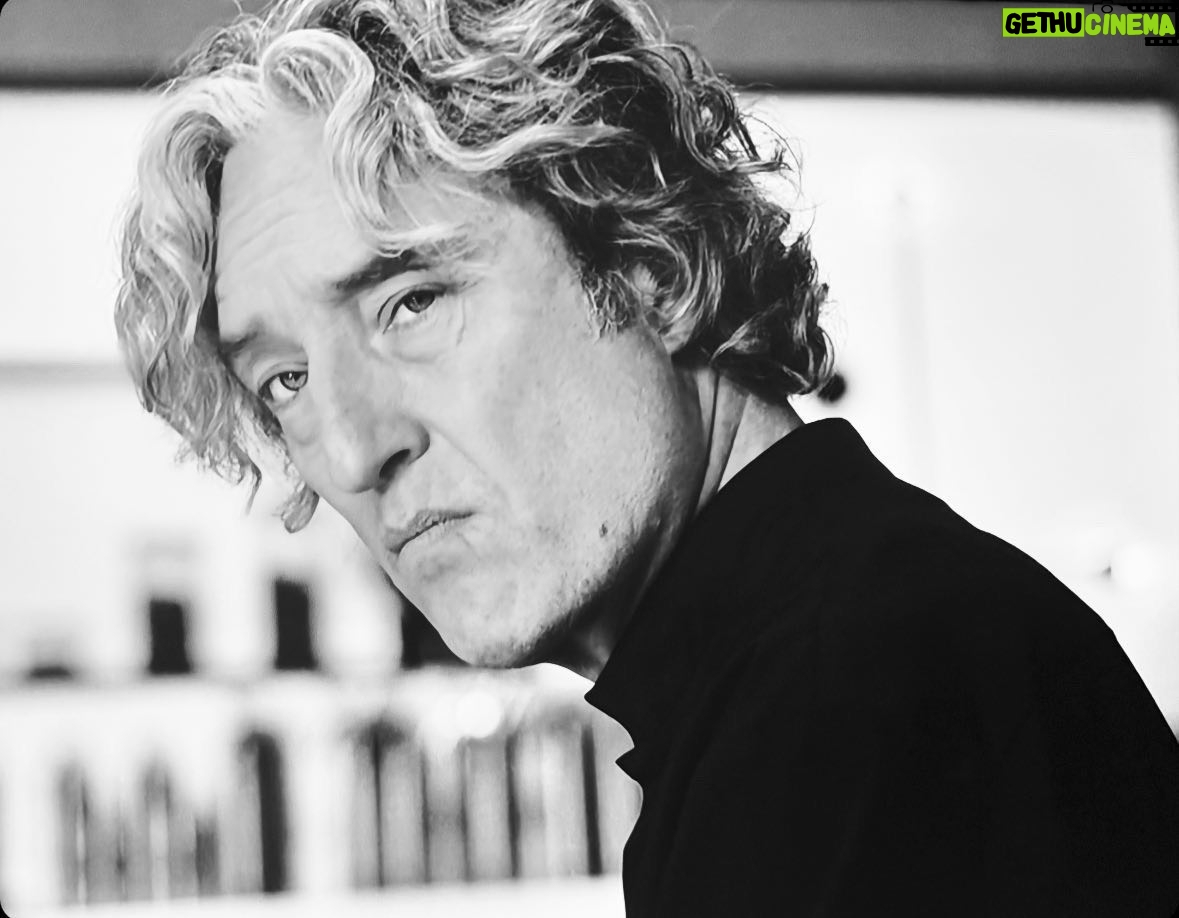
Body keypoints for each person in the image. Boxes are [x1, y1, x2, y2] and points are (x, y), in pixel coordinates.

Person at [115, 0, 1179, 914]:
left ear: (648, 264)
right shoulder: (791, 684)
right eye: (285, 380)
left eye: (414, 301)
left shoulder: (854, 692)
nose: (353, 449)